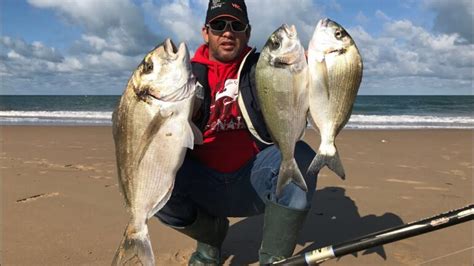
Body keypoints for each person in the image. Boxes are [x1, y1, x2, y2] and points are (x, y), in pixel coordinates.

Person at [154, 0, 317, 264]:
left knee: (300, 156)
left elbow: (308, 84)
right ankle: (210, 239)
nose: (228, 32)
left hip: (253, 179)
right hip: (201, 184)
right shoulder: (184, 75)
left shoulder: (266, 67)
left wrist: (319, 65)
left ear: (248, 33)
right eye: (219, 25)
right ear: (206, 32)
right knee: (152, 176)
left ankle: (274, 258)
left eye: (236, 25)